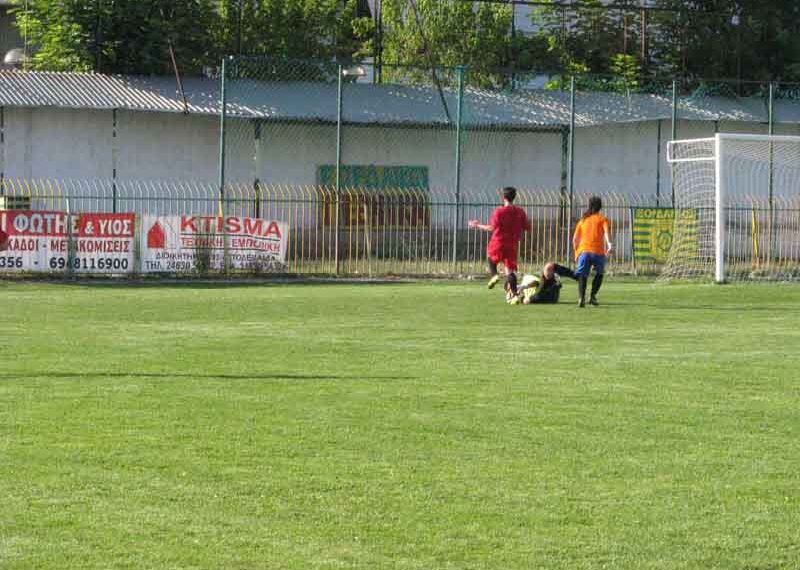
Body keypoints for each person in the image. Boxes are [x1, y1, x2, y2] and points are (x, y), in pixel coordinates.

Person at [468, 186, 531, 290]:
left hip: (498, 242)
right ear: (514, 197)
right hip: (512, 244)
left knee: (490, 256)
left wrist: (477, 225)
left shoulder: (499, 211)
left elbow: (492, 227)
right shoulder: (520, 212)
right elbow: (527, 227)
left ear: (503, 197)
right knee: (510, 271)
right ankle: (514, 295)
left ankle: (494, 275)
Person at [572, 195, 612, 307]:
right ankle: (592, 296)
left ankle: (581, 298)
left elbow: (574, 239)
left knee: (582, 275)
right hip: (598, 252)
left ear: (589, 206)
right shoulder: (603, 219)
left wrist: (576, 254)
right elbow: (607, 233)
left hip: (583, 251)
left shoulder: (583, 220)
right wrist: (609, 245)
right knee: (599, 273)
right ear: (600, 207)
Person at [505, 262, 577, 305]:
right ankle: (575, 276)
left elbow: (536, 282)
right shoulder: (519, 295)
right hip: (543, 295)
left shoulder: (524, 280)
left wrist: (524, 286)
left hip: (545, 291)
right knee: (527, 300)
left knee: (548, 267)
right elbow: (525, 299)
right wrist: (520, 297)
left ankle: (575, 276)